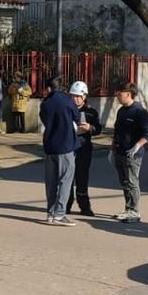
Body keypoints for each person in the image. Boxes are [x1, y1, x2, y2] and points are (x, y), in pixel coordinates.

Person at [39, 76, 81, 226]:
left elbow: (43, 119)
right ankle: (59, 214)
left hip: (50, 146)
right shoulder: (67, 101)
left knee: (51, 182)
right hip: (66, 145)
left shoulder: (45, 103)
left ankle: (50, 213)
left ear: (49, 88)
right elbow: (77, 117)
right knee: (65, 181)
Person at [110, 81, 148, 223]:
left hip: (132, 154)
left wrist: (137, 146)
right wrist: (112, 150)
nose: (117, 95)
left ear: (128, 94)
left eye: (120, 93)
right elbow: (116, 132)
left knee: (132, 182)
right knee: (124, 182)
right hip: (119, 152)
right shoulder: (121, 111)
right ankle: (128, 208)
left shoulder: (139, 112)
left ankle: (134, 211)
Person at [65, 80, 101, 216]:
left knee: (82, 178)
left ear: (84, 97)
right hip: (68, 147)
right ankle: (65, 205)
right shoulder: (66, 110)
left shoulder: (91, 112)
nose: (74, 99)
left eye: (77, 96)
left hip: (83, 148)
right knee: (67, 178)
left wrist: (89, 128)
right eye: (72, 96)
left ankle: (84, 206)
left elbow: (98, 128)